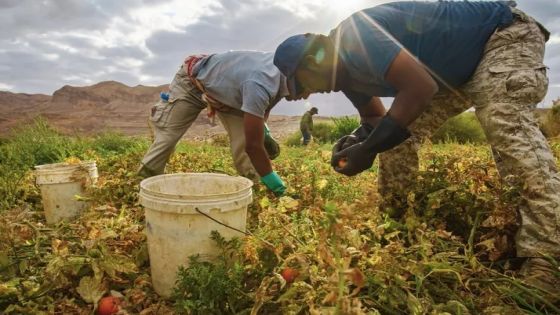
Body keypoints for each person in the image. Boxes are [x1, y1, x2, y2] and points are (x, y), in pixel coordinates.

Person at [274, 1, 559, 298]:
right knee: (398, 137)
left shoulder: (355, 37)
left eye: (302, 83)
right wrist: (356, 141)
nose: (309, 92)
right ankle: (396, 224)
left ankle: (546, 257)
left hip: (501, 36)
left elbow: (419, 89)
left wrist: (369, 148)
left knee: (507, 129)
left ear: (312, 62)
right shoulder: (344, 74)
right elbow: (376, 121)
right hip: (453, 72)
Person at [138, 51, 288, 196]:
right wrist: (276, 183)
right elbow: (254, 146)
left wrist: (262, 133)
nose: (306, 95)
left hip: (229, 96)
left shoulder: (285, 76)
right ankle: (144, 186)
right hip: (191, 82)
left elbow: (260, 111)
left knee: (243, 142)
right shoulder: (262, 82)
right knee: (167, 138)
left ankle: (256, 192)